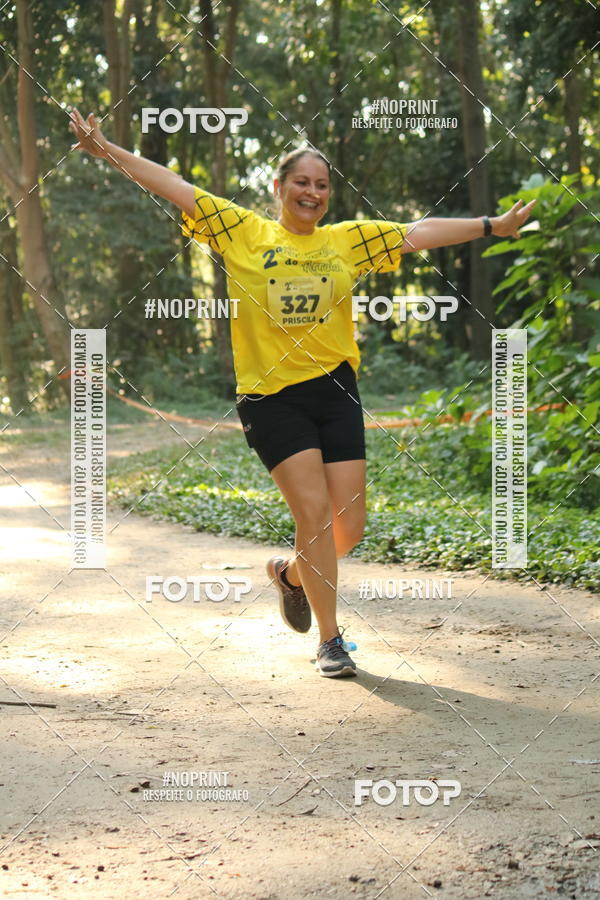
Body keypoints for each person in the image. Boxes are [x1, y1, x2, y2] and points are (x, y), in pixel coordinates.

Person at [69, 109, 536, 678]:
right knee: (313, 514)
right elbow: (174, 185)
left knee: (349, 528)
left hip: (336, 391)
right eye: (301, 182)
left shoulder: (347, 241)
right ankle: (331, 642)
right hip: (271, 398)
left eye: (321, 185)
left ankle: (291, 575)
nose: (311, 192)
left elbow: (419, 232)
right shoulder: (242, 229)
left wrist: (491, 225)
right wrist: (106, 149)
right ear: (279, 187)